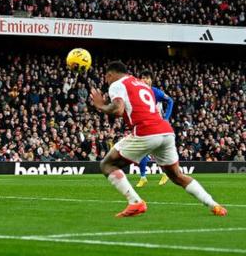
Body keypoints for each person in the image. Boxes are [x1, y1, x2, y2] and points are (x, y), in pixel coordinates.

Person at [90, 61, 226, 217]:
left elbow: (118, 109)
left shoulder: (117, 84)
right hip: (166, 132)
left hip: (146, 131)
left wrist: (100, 106)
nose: (107, 82)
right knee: (177, 176)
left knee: (107, 164)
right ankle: (214, 205)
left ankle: (135, 202)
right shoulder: (141, 83)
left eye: (106, 78)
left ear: (110, 74)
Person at [136, 69, 174, 188]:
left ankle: (151, 176)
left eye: (147, 77)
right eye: (143, 77)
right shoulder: (137, 92)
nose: (145, 80)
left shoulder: (155, 92)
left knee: (148, 151)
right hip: (144, 125)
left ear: (151, 80)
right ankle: (145, 177)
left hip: (156, 125)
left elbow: (170, 101)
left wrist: (166, 118)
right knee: (144, 152)